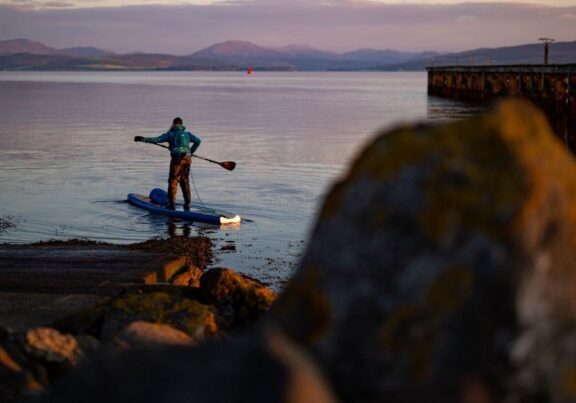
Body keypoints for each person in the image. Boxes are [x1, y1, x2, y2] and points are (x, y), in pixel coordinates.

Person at [134, 117, 201, 210]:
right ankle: (187, 205)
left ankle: (171, 205)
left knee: (173, 181)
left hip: (177, 159)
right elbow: (198, 141)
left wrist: (143, 139)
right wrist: (190, 152)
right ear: (182, 125)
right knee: (184, 181)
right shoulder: (187, 134)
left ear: (173, 125)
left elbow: (156, 139)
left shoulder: (170, 134)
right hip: (187, 159)